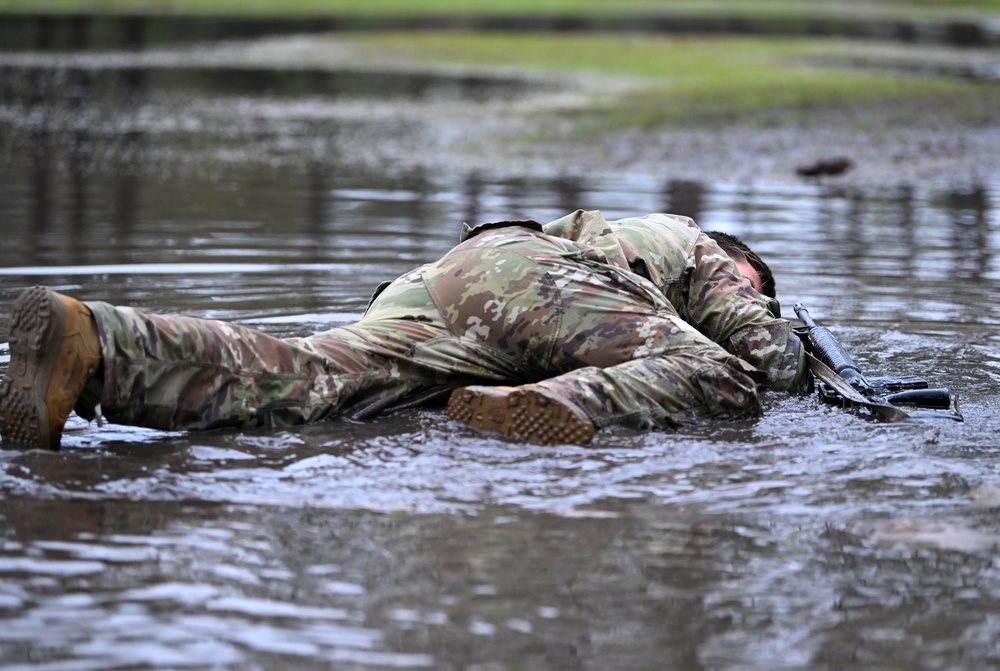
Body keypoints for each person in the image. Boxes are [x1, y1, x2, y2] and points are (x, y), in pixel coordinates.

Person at [0, 210, 808, 451]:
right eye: (756, 283)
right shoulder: (688, 237)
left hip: (449, 280)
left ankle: (96, 344)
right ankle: (557, 403)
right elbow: (756, 350)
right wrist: (790, 354)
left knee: (309, 378)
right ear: (740, 259)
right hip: (535, 280)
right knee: (721, 377)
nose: (752, 297)